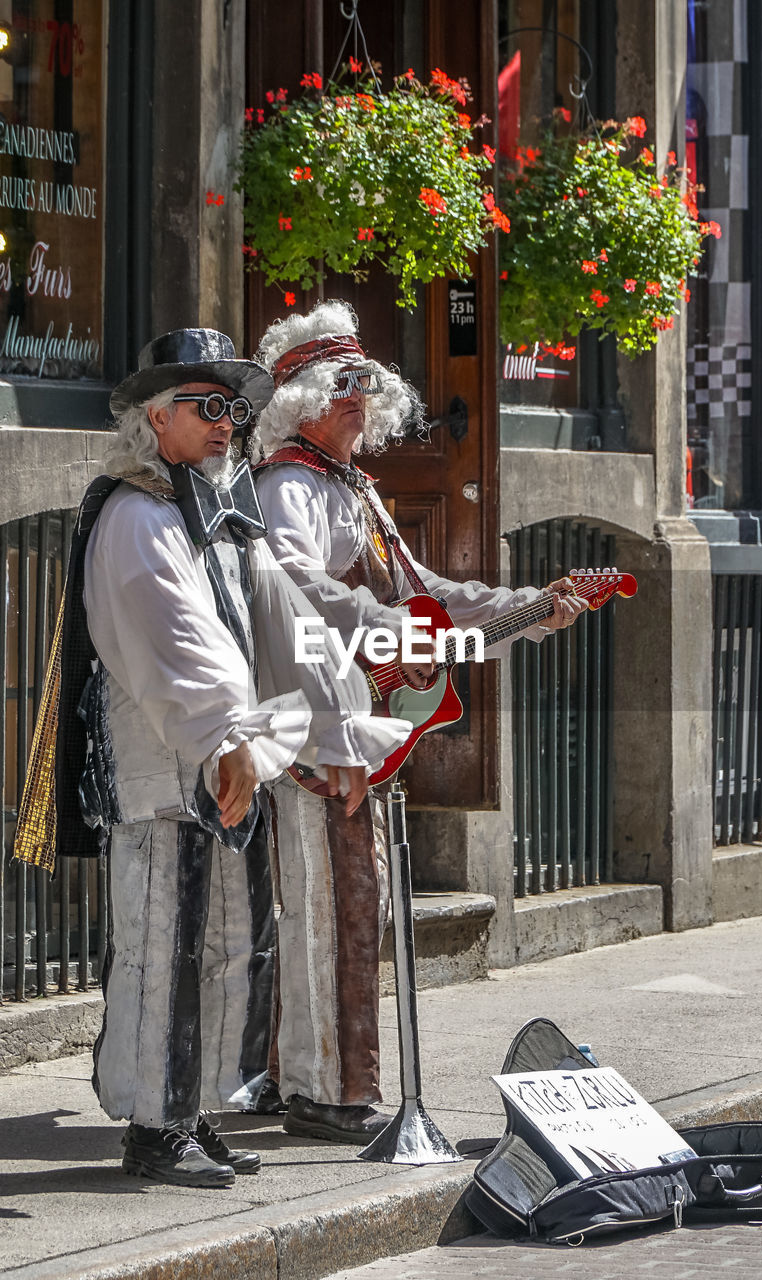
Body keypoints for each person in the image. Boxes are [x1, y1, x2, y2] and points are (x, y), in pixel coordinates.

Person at [17, 328, 409, 1187]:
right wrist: (230, 737)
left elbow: (291, 627)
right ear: (156, 417)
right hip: (163, 771)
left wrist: (337, 728)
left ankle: (195, 1111)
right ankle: (155, 1128)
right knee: (162, 944)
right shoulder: (139, 511)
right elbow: (175, 636)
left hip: (222, 768)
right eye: (208, 406)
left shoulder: (225, 513)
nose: (229, 422)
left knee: (233, 943)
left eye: (235, 407)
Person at [250, 301, 587, 1143]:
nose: (360, 407)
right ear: (302, 403)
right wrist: (393, 629)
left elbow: (426, 594)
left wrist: (531, 608)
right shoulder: (289, 485)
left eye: (366, 391)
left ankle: (326, 1083)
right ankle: (321, 1088)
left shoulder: (349, 487)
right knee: (331, 906)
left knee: (353, 901)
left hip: (349, 725)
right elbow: (297, 588)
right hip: (313, 725)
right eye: (343, 391)